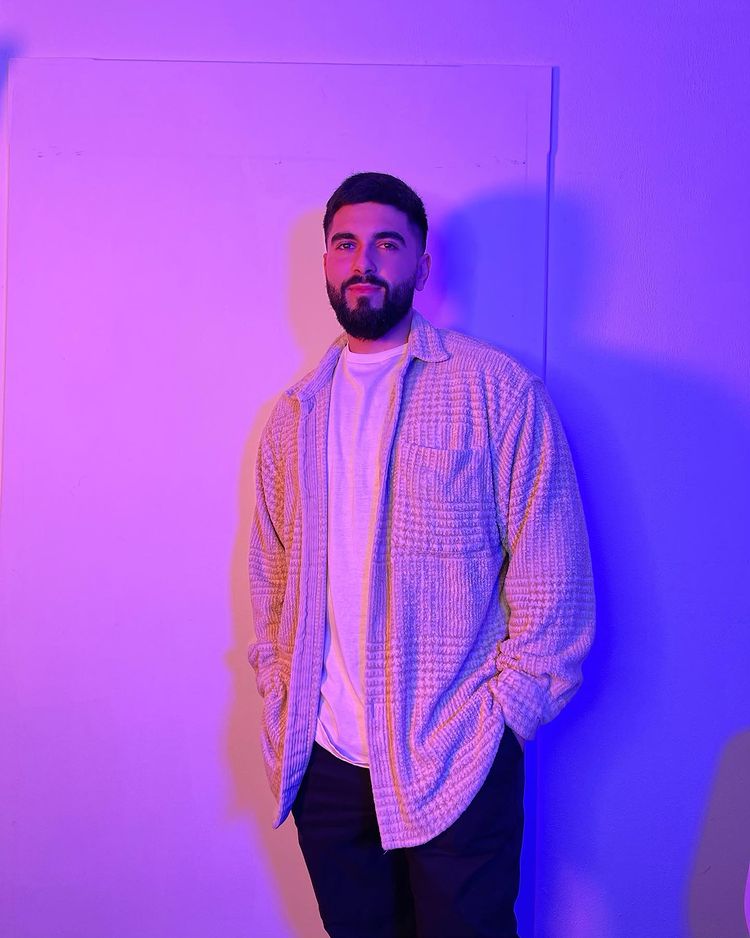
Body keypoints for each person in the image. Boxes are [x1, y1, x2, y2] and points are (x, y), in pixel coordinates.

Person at [248, 171, 595, 938]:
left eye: (386, 243)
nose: (363, 260)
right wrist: (281, 696)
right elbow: (270, 582)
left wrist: (504, 720)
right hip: (330, 768)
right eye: (345, 244)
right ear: (327, 264)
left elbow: (555, 583)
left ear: (422, 264)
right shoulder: (294, 416)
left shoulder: (495, 392)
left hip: (455, 758)